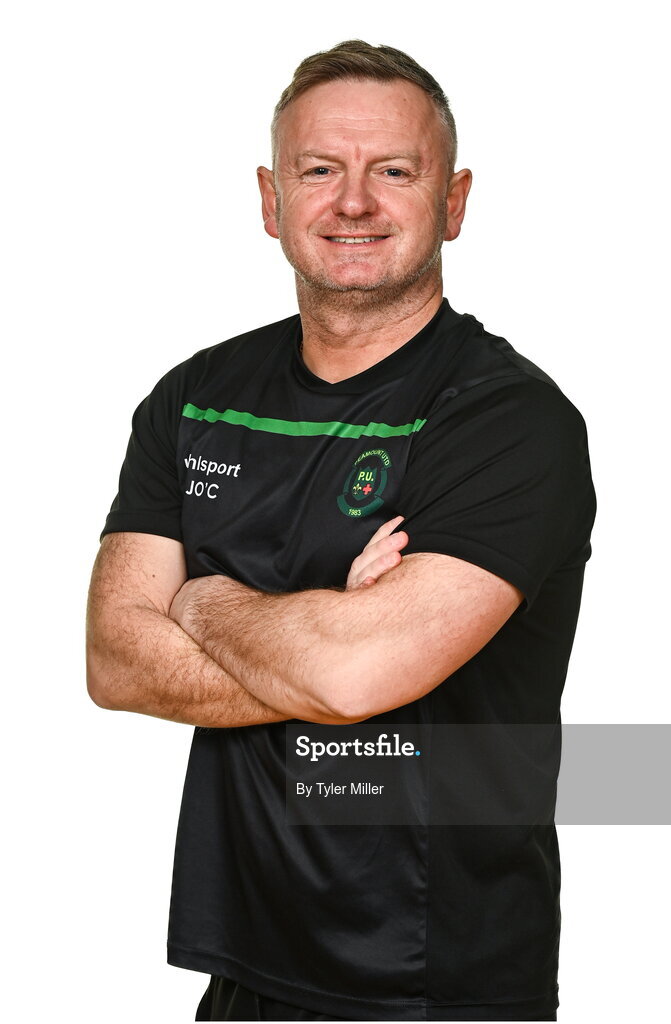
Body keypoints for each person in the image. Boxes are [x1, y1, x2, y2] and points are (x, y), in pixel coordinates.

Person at [86, 39, 596, 1022]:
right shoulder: (198, 397)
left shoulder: (506, 421)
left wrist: (202, 596)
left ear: (451, 201)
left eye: (392, 171)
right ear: (271, 200)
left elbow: (351, 679)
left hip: (438, 980)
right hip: (243, 964)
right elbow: (115, 658)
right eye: (320, 170)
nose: (352, 202)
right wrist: (320, 635)